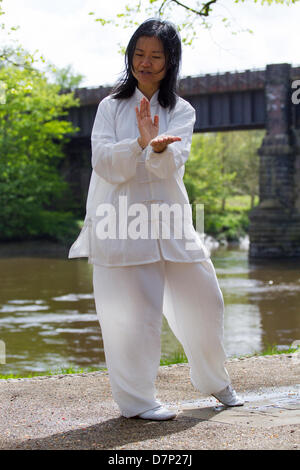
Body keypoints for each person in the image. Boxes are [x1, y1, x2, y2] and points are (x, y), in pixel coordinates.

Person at [68, 18, 244, 421]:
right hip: (121, 223)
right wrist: (140, 142)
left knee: (206, 299)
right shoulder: (110, 107)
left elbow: (171, 167)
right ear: (129, 57)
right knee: (134, 316)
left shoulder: (181, 110)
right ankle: (137, 401)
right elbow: (104, 163)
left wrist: (159, 150)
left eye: (155, 57)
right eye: (139, 54)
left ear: (170, 62)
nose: (145, 63)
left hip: (170, 221)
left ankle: (215, 380)